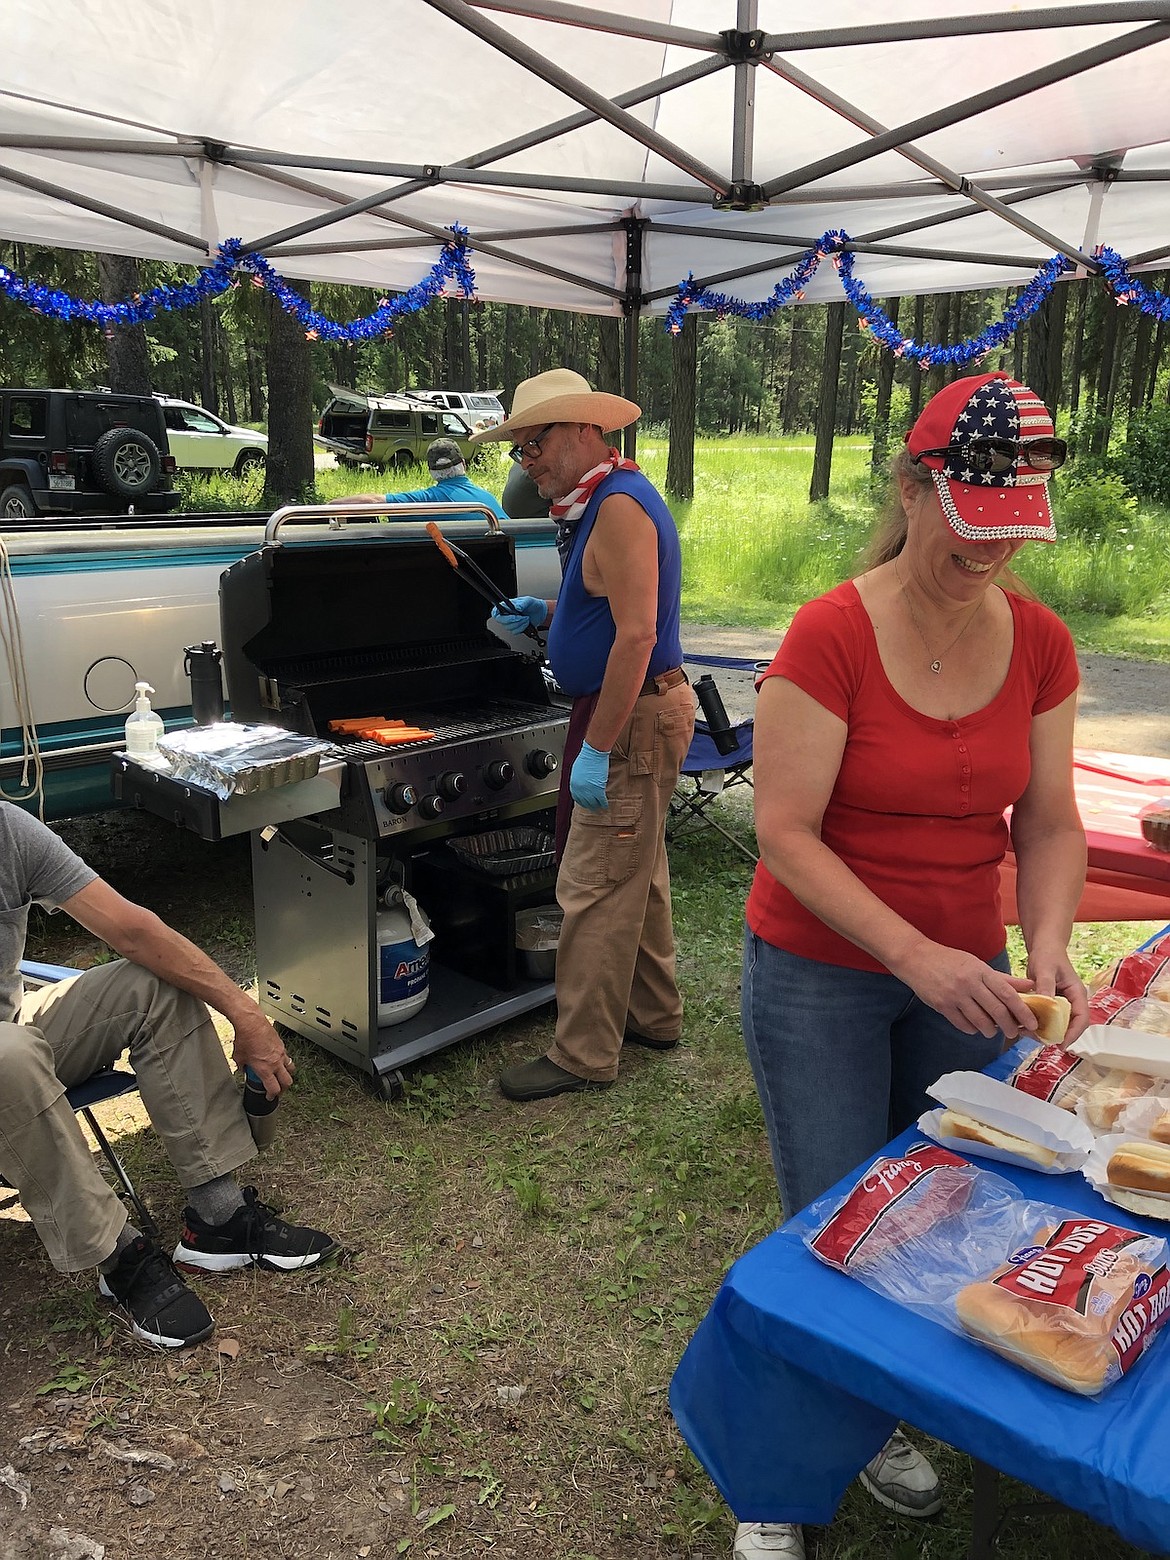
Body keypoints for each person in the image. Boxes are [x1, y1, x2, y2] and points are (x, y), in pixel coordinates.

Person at [734, 372, 1088, 1560]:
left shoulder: (1038, 639)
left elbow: (1048, 821)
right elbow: (782, 826)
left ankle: (903, 1402)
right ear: (913, 485)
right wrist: (912, 952)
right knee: (833, 1216)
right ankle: (783, 1480)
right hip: (822, 969)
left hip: (970, 974)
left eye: (1014, 529)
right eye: (971, 523)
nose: (989, 554)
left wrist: (1043, 943)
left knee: (946, 1204)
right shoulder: (833, 629)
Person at [0, 801, 338, 1350]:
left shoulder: (7, 831)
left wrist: (247, 1013)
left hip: (13, 1028)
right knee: (9, 1054)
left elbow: (135, 930)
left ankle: (218, 1219)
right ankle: (119, 1259)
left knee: (152, 982)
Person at [470, 369, 695, 1101]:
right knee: (639, 870)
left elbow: (636, 638)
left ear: (578, 430)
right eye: (517, 450)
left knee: (593, 885)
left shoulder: (620, 507)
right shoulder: (597, 500)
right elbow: (605, 604)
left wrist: (596, 746)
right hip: (632, 710)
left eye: (531, 444)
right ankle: (654, 1016)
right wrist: (551, 615)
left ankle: (582, 1054)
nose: (524, 461)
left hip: (628, 715)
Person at [338, 437, 507, 521]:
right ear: (463, 464)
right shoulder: (488, 501)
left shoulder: (425, 502)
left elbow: (374, 502)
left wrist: (329, 507)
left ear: (431, 471)